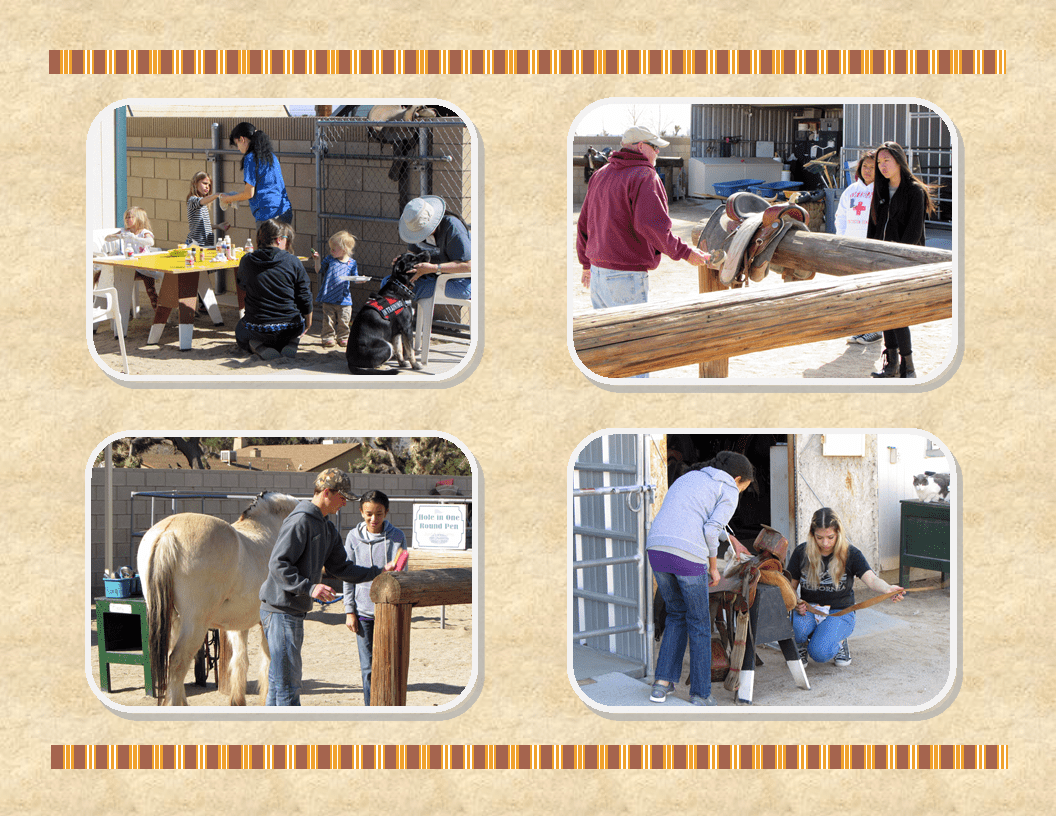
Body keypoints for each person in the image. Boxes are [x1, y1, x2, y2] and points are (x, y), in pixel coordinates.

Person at [575, 126, 709, 377]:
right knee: (635, 352)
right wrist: (684, 252)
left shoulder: (601, 174)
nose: (658, 151)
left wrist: (586, 264)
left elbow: (584, 223)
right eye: (654, 146)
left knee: (610, 349)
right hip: (625, 277)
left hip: (598, 275)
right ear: (640, 147)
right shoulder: (644, 176)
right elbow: (651, 226)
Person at [259, 469, 397, 706]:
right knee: (288, 686)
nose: (345, 502)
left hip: (291, 609)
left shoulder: (326, 526)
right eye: (342, 496)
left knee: (279, 684)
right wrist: (310, 588)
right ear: (326, 492)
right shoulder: (300, 520)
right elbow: (278, 564)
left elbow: (341, 567)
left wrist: (379, 573)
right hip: (280, 610)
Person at [646, 451, 754, 706]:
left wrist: (731, 539)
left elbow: (691, 517)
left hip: (657, 550)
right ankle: (701, 693)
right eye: (743, 487)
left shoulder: (690, 477)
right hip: (687, 555)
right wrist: (713, 566)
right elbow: (709, 529)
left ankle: (661, 685)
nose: (740, 492)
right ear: (737, 478)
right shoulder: (728, 489)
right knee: (699, 622)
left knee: (676, 614)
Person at [788, 507, 905, 668]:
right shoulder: (802, 552)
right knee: (798, 629)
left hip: (839, 611)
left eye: (830, 537)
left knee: (819, 653)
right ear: (812, 534)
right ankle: (802, 644)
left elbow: (871, 579)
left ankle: (839, 641)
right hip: (809, 609)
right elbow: (789, 588)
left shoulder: (851, 553)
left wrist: (887, 589)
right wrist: (796, 603)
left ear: (838, 533)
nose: (825, 543)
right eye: (819, 537)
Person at [868, 141, 937, 378]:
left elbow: (914, 232)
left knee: (898, 312)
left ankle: (908, 366)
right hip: (880, 261)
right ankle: (891, 363)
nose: (882, 166)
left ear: (899, 160)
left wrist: (897, 259)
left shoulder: (914, 191)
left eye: (887, 160)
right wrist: (868, 254)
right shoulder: (880, 190)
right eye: (879, 162)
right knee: (884, 310)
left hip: (903, 262)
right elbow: (873, 226)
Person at [342, 490, 407, 705]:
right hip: (363, 614)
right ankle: (371, 708)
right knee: (368, 668)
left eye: (379, 514)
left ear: (386, 512)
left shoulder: (397, 537)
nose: (374, 519)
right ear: (361, 512)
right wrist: (349, 611)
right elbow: (348, 575)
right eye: (369, 513)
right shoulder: (352, 538)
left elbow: (402, 572)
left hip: (390, 612)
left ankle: (391, 707)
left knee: (391, 663)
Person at [234, 219, 312, 360]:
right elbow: (305, 295)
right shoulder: (293, 261)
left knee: (241, 330)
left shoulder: (247, 260)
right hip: (290, 328)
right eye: (286, 239)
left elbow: (242, 285)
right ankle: (292, 342)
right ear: (279, 239)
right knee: (297, 327)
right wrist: (308, 321)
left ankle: (258, 345)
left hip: (258, 328)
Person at [835, 151, 881, 345]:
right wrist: (843, 240)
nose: (868, 170)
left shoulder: (881, 190)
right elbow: (841, 216)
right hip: (851, 247)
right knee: (855, 289)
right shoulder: (851, 190)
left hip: (872, 248)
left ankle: (875, 329)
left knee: (873, 288)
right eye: (865, 167)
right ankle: (859, 328)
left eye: (872, 167)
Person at [397, 195, 472, 311]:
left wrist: (433, 268)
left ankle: (399, 323)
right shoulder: (415, 227)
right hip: (431, 277)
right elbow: (411, 256)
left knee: (399, 289)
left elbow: (469, 266)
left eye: (422, 231)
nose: (420, 236)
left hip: (462, 282)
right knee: (388, 283)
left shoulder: (453, 227)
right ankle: (396, 322)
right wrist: (403, 262)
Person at [220, 122, 293, 225]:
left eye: (237, 144)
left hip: (268, 214)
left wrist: (228, 199)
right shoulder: (271, 156)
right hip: (285, 211)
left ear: (242, 139)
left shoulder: (250, 158)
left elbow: (248, 193)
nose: (238, 148)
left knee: (266, 241)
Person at [311, 230, 357, 348]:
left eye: (334, 249)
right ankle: (328, 336)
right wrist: (317, 260)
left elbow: (354, 278)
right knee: (328, 319)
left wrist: (359, 280)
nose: (331, 251)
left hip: (344, 298)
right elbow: (319, 270)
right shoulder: (329, 259)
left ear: (344, 249)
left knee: (344, 319)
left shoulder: (352, 263)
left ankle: (343, 337)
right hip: (329, 296)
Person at [107, 207, 158, 310]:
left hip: (143, 265)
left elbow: (151, 242)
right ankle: (122, 307)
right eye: (126, 217)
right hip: (129, 265)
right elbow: (107, 238)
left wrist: (135, 238)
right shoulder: (124, 231)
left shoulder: (144, 232)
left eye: (130, 217)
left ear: (139, 218)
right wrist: (119, 236)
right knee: (121, 279)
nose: (127, 219)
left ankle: (157, 309)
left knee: (150, 288)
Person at [185, 171, 229, 246]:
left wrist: (218, 226)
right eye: (204, 183)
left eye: (209, 185)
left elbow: (202, 225)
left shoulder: (203, 204)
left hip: (206, 244)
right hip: (195, 244)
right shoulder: (193, 200)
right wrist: (217, 195)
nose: (207, 187)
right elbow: (202, 201)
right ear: (195, 183)